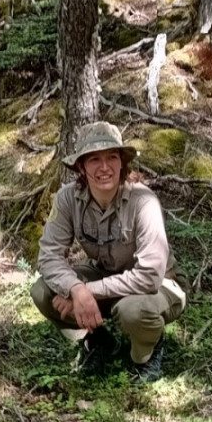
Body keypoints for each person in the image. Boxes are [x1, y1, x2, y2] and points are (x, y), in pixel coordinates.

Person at [31, 122, 187, 382]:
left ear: (122, 163)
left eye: (112, 157)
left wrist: (85, 291)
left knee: (132, 311)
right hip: (106, 275)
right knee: (43, 292)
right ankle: (98, 340)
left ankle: (145, 355)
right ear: (81, 166)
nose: (105, 168)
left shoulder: (143, 201)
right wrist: (75, 288)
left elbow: (149, 276)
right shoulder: (68, 199)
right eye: (94, 160)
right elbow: (48, 256)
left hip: (160, 285)